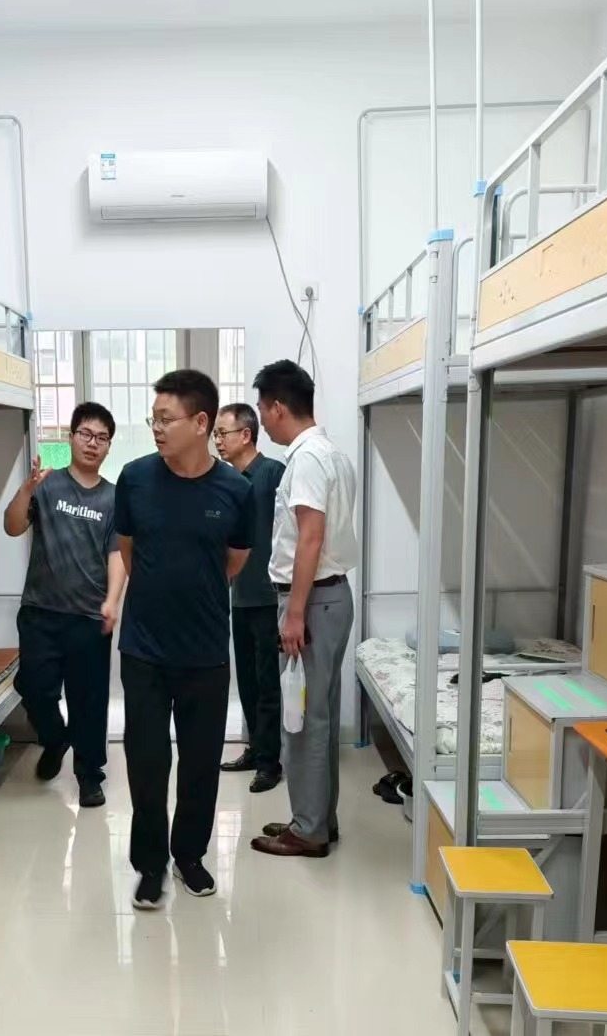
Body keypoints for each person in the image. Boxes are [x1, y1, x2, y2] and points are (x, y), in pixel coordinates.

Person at [115, 370, 255, 908]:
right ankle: (150, 865)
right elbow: (129, 550)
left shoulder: (236, 490)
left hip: (205, 652)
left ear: (200, 423)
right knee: (147, 764)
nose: (155, 427)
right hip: (144, 651)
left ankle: (189, 856)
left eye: (165, 418)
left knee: (200, 763)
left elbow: (234, 561)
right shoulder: (134, 478)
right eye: (153, 418)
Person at [248, 360, 357, 858]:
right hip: (329, 597)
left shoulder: (308, 458)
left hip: (311, 602)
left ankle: (309, 830)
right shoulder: (330, 453)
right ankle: (317, 820)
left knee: (302, 718)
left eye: (261, 409)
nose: (261, 420)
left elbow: (310, 538)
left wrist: (293, 614)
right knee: (318, 717)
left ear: (277, 407)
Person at [4, 402, 126, 809]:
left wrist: (112, 601)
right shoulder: (48, 484)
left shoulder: (113, 497)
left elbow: (117, 554)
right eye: (86, 434)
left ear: (108, 446)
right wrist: (26, 489)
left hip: (88, 617)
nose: (93, 443)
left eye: (102, 438)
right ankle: (55, 739)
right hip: (40, 612)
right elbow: (12, 526)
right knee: (33, 688)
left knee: (89, 701)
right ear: (71, 437)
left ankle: (89, 775)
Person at [214, 403, 286, 793]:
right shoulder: (226, 479)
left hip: (269, 597)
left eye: (222, 433)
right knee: (246, 682)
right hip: (238, 595)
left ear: (246, 435)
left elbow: (291, 533)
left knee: (267, 682)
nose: (217, 441)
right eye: (216, 434)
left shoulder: (274, 473)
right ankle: (256, 749)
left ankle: (270, 763)